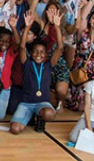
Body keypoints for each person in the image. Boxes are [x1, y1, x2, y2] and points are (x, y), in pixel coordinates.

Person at [10, 7, 63, 135]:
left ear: (46, 55)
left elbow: (60, 47)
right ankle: (29, 117)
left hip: (43, 103)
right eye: (35, 51)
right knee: (15, 129)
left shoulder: (49, 64)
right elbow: (22, 47)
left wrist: (57, 26)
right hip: (26, 104)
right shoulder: (27, 64)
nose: (38, 54)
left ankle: (40, 118)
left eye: (42, 52)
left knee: (49, 114)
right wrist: (27, 27)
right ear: (31, 53)